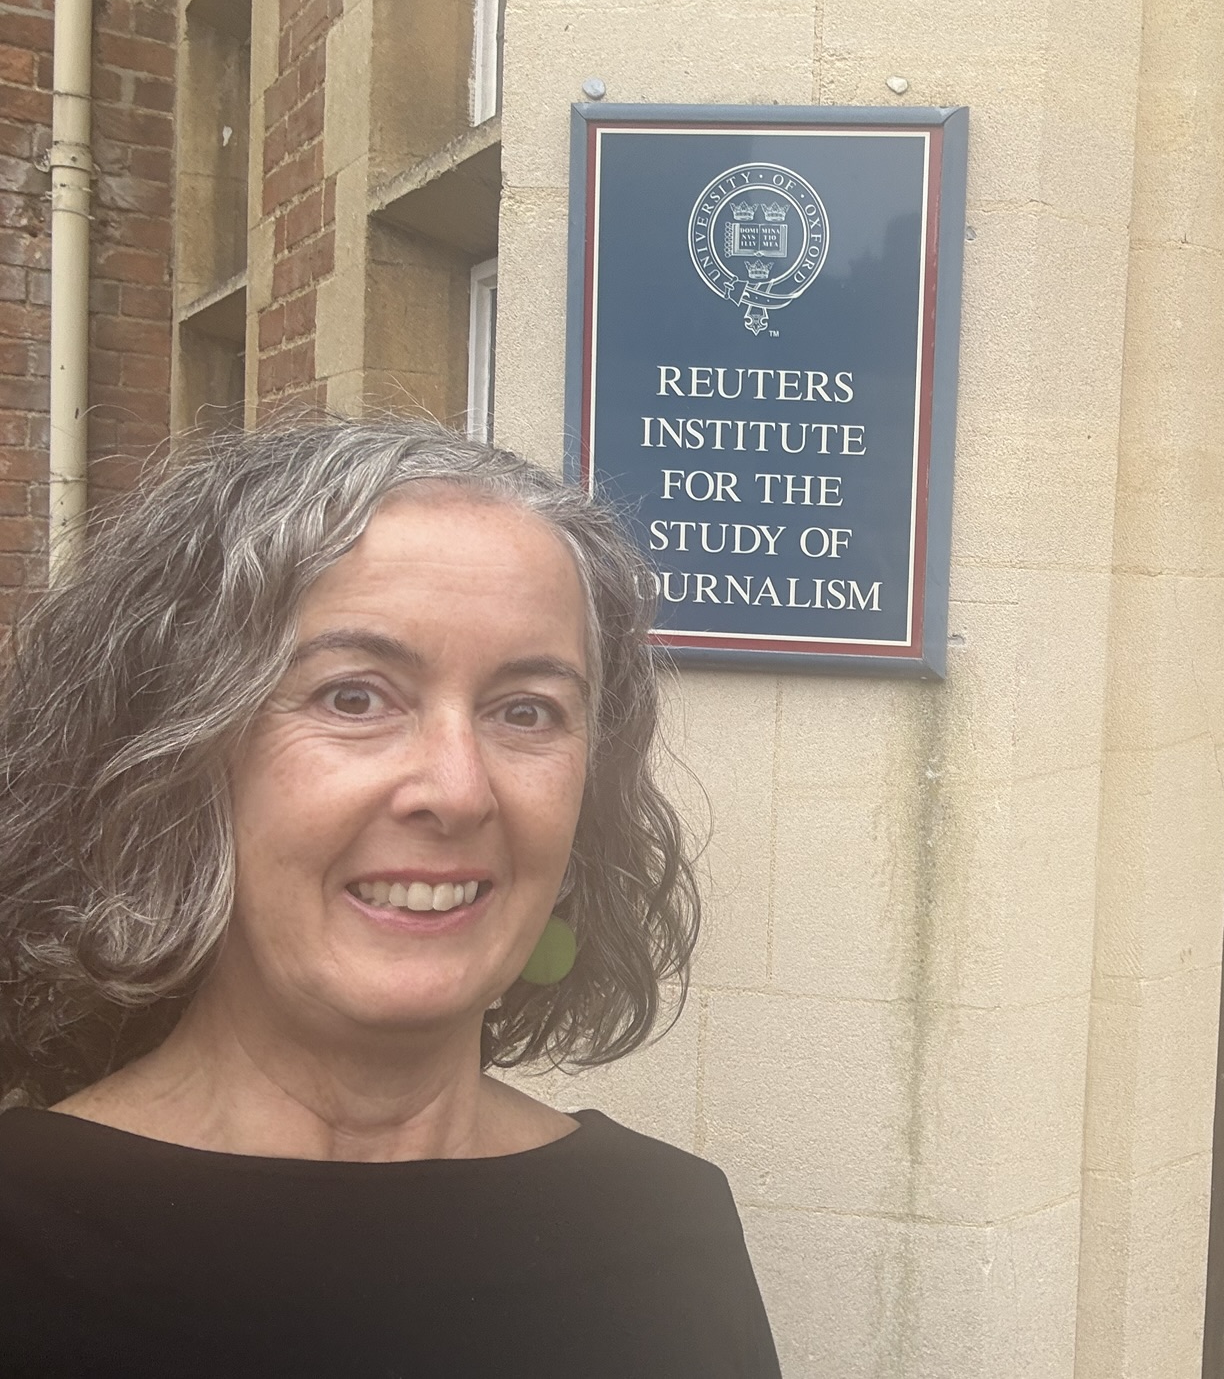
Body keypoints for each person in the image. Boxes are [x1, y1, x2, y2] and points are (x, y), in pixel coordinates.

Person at [0, 418, 781, 1377]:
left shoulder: (668, 1235)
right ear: (177, 757)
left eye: (525, 710)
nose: (457, 789)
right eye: (355, 697)